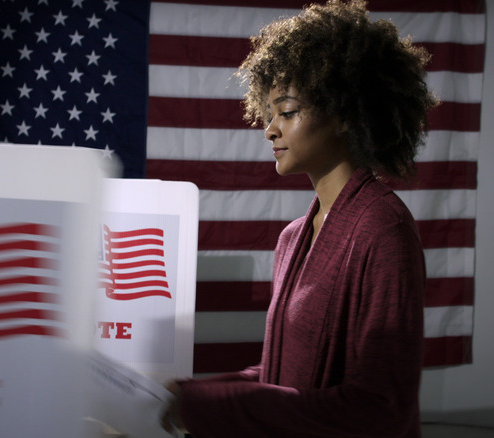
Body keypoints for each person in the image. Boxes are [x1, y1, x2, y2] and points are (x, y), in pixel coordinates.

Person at [162, 1, 437, 436]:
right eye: (269, 113)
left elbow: (382, 408)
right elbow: (280, 378)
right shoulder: (292, 238)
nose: (270, 129)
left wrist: (203, 405)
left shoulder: (384, 230)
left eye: (287, 112)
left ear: (346, 114)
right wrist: (184, 396)